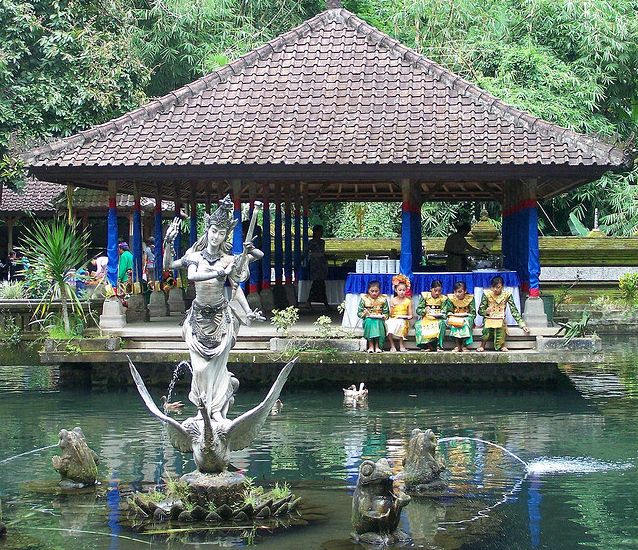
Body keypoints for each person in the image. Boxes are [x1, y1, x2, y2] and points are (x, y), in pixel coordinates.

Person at [163, 195, 263, 420]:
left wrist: (247, 312)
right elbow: (169, 265)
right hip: (197, 319)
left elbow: (236, 287)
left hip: (221, 319)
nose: (217, 236)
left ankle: (216, 410)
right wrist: (168, 243)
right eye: (214, 231)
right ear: (207, 230)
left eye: (222, 233)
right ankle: (202, 410)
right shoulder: (194, 256)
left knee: (218, 369)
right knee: (199, 370)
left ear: (226, 236)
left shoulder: (228, 260)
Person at [477, 276, 529, 352]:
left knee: (501, 327)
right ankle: (482, 345)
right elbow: (480, 311)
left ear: (502, 287)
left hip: (500, 318)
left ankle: (502, 345)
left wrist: (522, 324)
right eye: (493, 287)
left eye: (498, 287)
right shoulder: (487, 294)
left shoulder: (507, 295)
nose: (495, 289)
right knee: (486, 329)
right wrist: (486, 312)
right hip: (489, 318)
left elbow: (513, 310)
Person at [442, 281, 475, 352]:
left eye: (460, 292)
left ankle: (464, 345)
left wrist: (466, 315)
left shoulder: (470, 299)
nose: (457, 294)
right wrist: (451, 314)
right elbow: (448, 311)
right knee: (455, 323)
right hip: (455, 317)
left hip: (467, 317)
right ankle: (457, 345)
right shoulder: (451, 299)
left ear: (465, 291)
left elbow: (473, 313)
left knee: (465, 323)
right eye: (456, 292)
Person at [415, 279, 447, 351]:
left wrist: (441, 314)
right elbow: (418, 310)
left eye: (439, 291)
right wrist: (424, 310)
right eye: (435, 290)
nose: (437, 293)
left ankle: (439, 345)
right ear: (431, 289)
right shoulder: (425, 297)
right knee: (418, 325)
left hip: (438, 318)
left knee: (441, 323)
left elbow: (445, 313)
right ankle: (425, 345)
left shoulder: (443, 299)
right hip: (427, 317)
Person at [358, 280, 389, 353]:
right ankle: (371, 345)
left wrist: (384, 316)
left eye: (376, 291)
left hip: (379, 319)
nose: (374, 293)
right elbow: (359, 313)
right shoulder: (364, 299)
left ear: (379, 291)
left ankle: (377, 346)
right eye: (372, 291)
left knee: (378, 322)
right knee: (370, 322)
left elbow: (386, 312)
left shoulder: (383, 299)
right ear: (368, 290)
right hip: (368, 319)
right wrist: (365, 313)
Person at [386, 277, 413, 352]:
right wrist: (392, 308)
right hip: (394, 319)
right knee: (388, 323)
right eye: (400, 290)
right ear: (395, 290)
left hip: (404, 320)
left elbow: (410, 316)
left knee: (401, 322)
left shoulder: (408, 301)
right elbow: (390, 315)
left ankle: (401, 344)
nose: (402, 292)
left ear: (406, 290)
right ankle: (392, 345)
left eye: (404, 290)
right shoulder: (393, 300)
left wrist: (403, 317)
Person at [306, 224, 329, 309]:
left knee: (321, 283)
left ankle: (322, 301)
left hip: (322, 264)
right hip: (315, 264)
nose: (321, 233)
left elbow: (322, 253)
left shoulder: (322, 242)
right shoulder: (311, 242)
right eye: (320, 231)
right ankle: (310, 300)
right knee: (316, 282)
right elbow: (306, 252)